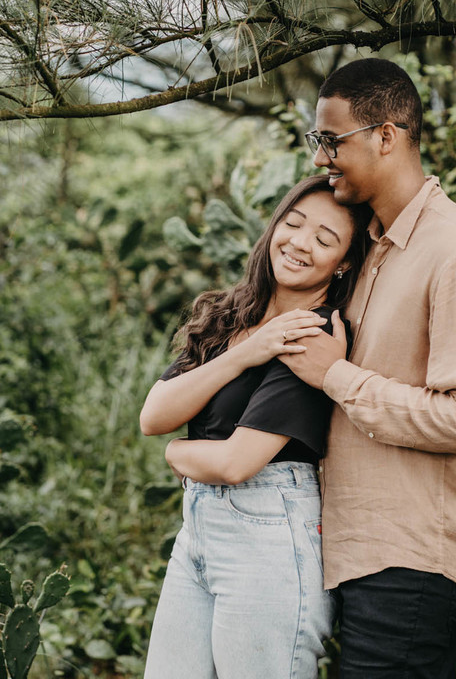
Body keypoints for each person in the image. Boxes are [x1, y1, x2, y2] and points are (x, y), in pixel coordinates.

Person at [279, 58, 456, 678]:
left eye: (333, 141)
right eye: (317, 141)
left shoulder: (455, 251)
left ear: (387, 135)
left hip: (412, 563)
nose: (321, 157)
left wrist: (338, 376)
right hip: (358, 552)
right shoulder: (371, 249)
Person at [140, 175, 372, 679]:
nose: (300, 243)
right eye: (292, 225)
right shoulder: (232, 313)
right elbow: (154, 414)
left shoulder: (314, 335)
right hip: (197, 535)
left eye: (324, 239)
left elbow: (235, 462)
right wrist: (249, 350)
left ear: (344, 263)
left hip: (269, 538)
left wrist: (175, 455)